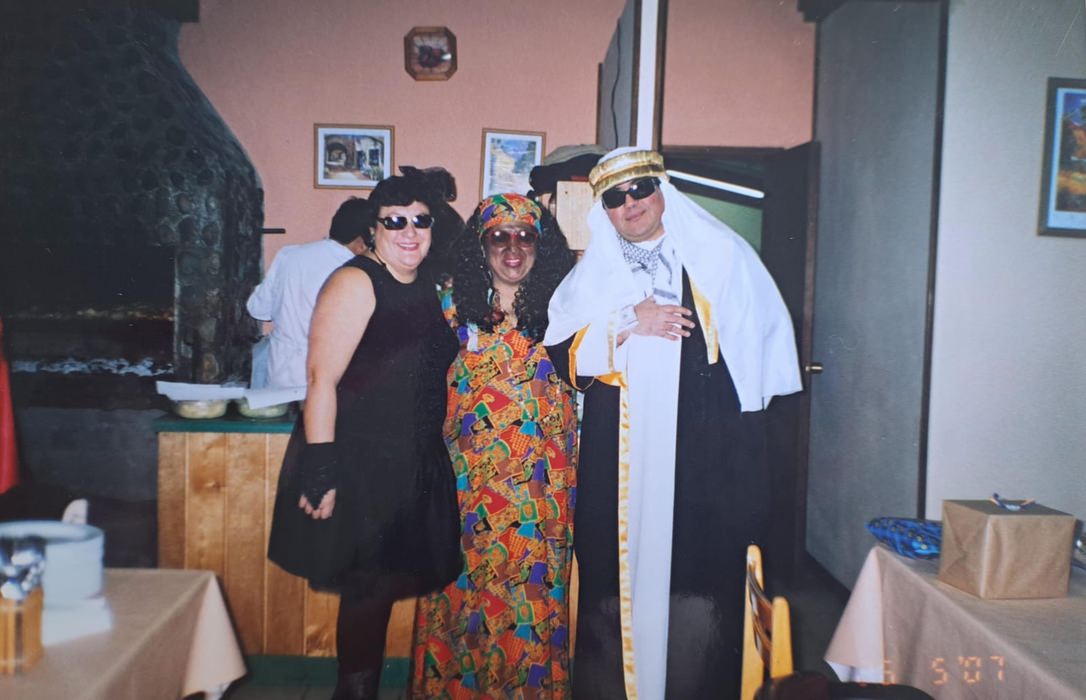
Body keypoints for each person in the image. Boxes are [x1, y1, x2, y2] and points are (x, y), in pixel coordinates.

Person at [543, 148, 802, 699]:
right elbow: (563, 354)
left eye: (640, 188)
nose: (631, 203)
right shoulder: (594, 273)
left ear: (663, 191)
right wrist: (626, 320)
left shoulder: (720, 257)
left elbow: (756, 364)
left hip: (702, 459)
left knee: (698, 588)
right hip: (620, 464)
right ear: (604, 210)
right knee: (616, 583)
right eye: (615, 197)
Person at [267, 176, 462, 700]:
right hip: (360, 464)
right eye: (394, 221)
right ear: (373, 230)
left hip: (409, 461)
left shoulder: (424, 284)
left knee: (378, 592)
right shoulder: (355, 282)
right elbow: (320, 381)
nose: (408, 231)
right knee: (368, 594)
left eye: (420, 220)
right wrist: (321, 471)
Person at [412, 194, 578, 699]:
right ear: (480, 246)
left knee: (529, 598)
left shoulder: (567, 308)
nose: (512, 248)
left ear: (541, 247)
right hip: (467, 485)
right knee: (463, 591)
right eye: (499, 237)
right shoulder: (449, 306)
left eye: (525, 237)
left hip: (540, 489)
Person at [246, 197, 371, 389]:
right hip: (328, 378)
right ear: (362, 242)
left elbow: (257, 309)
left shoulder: (288, 254)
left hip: (281, 374)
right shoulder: (356, 271)